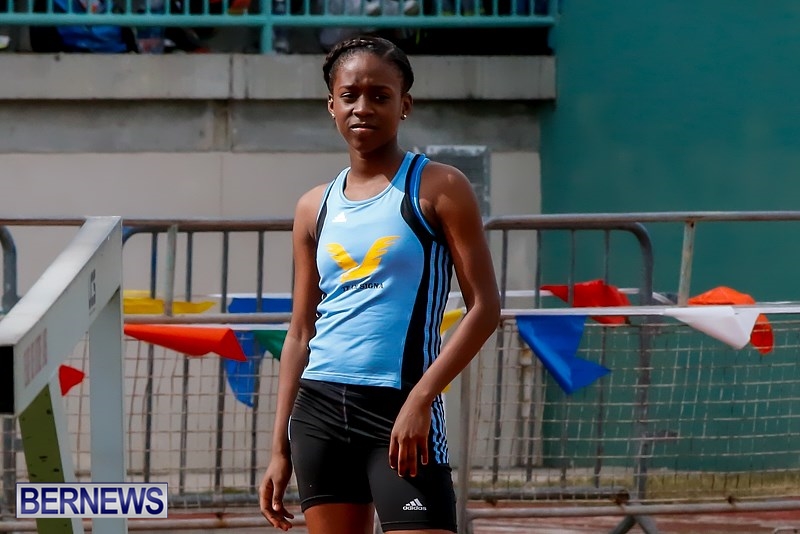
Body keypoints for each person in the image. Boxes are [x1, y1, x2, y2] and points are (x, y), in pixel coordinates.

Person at [258, 35, 500, 534]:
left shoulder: (440, 187)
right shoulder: (313, 206)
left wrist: (422, 398)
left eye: (379, 95)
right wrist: (279, 447)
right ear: (331, 105)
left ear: (404, 104)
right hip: (318, 414)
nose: (362, 108)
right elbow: (300, 332)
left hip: (401, 408)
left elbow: (485, 308)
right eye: (349, 95)